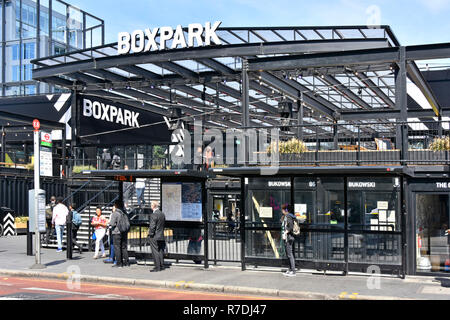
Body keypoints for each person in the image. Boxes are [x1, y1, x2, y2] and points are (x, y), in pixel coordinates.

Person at [109, 200, 130, 268]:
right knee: (123, 247)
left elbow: (112, 223)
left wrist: (108, 222)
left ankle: (119, 263)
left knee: (117, 248)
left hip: (117, 232)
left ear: (116, 205)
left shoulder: (115, 213)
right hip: (124, 231)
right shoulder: (124, 212)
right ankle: (127, 262)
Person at [148, 201, 166, 272]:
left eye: (151, 205)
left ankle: (157, 267)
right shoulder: (162, 214)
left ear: (153, 206)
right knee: (160, 250)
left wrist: (150, 234)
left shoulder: (153, 215)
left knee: (155, 251)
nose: (150, 206)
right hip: (161, 235)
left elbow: (152, 226)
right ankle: (161, 265)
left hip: (154, 236)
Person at [281, 204, 297, 277]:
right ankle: (290, 269)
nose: (282, 211)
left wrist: (285, 232)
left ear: (285, 210)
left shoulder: (288, 216)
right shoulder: (289, 216)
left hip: (289, 237)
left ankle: (293, 271)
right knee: (289, 254)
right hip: (289, 237)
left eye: (283, 209)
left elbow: (290, 226)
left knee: (290, 254)